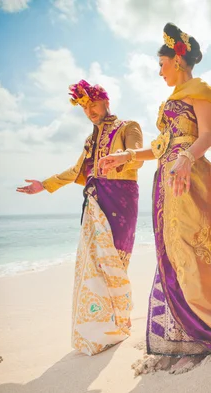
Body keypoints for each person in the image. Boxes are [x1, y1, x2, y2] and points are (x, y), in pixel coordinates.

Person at [99, 23, 211, 374]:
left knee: (195, 255)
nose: (159, 70)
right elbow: (160, 147)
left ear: (177, 61)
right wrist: (125, 157)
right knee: (172, 254)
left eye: (162, 63)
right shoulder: (170, 101)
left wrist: (185, 159)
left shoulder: (201, 91)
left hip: (192, 180)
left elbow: (204, 136)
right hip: (167, 183)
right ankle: (179, 337)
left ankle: (205, 338)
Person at [17, 80, 144, 356]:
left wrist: (119, 159)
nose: (89, 111)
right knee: (95, 264)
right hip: (96, 201)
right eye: (84, 107)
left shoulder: (128, 127)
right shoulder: (89, 141)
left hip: (121, 200)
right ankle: (103, 327)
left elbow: (138, 158)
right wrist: (45, 185)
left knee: (117, 262)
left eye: (93, 104)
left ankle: (121, 322)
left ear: (106, 101)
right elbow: (77, 171)